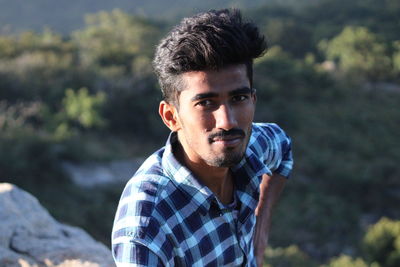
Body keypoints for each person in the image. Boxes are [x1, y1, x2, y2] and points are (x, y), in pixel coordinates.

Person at [112, 9, 293, 267]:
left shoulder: (254, 146)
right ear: (171, 116)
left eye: (238, 98)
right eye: (206, 103)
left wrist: (260, 229)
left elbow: (283, 148)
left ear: (253, 99)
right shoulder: (146, 228)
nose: (228, 121)